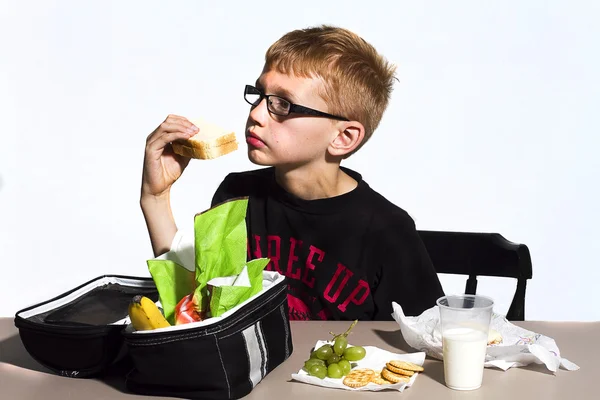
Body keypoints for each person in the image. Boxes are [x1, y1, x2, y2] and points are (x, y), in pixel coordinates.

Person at [140, 25, 444, 321]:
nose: (256, 114)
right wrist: (155, 198)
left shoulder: (388, 230)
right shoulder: (237, 194)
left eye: (283, 104)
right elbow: (196, 309)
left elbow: (428, 342)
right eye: (259, 95)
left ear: (343, 137)